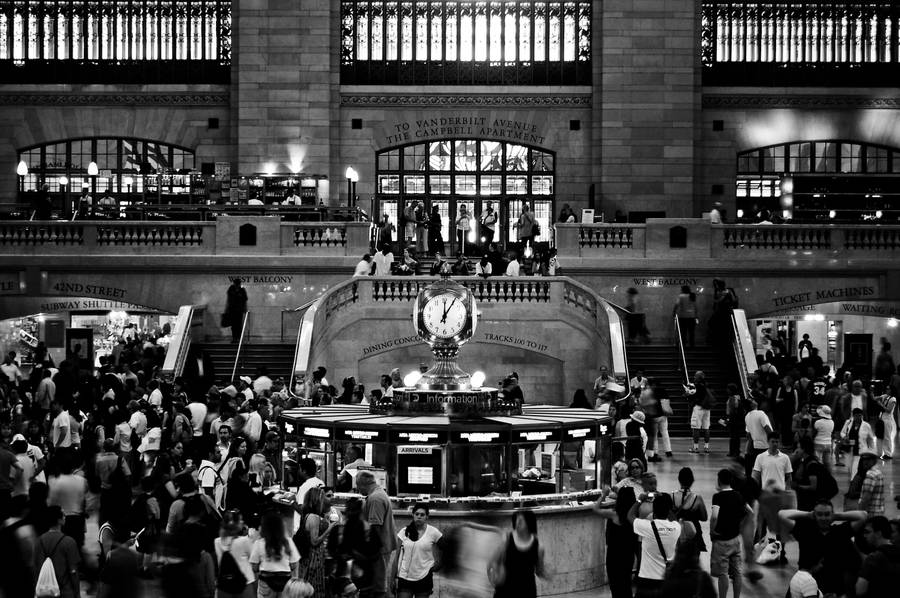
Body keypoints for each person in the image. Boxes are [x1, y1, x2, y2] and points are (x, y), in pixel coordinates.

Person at [779, 502, 866, 596]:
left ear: (832, 515)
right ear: (814, 515)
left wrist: (837, 516)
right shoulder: (805, 532)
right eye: (819, 514)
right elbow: (782, 514)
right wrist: (808, 514)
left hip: (833, 586)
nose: (823, 518)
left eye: (827, 514)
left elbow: (863, 515)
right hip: (806, 584)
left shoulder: (840, 532)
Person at [628, 492, 681, 598]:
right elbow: (674, 518)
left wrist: (640, 500)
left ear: (654, 511)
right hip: (666, 581)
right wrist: (665, 501)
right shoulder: (676, 527)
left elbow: (630, 516)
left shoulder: (646, 527)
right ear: (668, 510)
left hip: (646, 580)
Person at [710, 468, 752, 598]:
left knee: (723, 573)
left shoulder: (717, 497)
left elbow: (715, 516)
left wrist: (712, 531)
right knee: (737, 572)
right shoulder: (738, 495)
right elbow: (750, 512)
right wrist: (740, 524)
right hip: (735, 540)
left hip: (721, 541)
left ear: (719, 480)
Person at [752, 432, 793, 562]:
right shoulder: (760, 457)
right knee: (762, 526)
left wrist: (787, 493)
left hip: (780, 498)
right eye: (773, 441)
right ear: (768, 442)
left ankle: (782, 553)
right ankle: (755, 550)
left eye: (777, 441)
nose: (775, 444)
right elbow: (755, 477)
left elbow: (788, 477)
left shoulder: (785, 458)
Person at [488, 510, 546, 598]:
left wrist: (546, 573)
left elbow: (539, 571)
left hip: (527, 592)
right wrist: (495, 578)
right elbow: (493, 562)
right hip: (504, 592)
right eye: (516, 519)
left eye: (521, 520)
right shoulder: (506, 540)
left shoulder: (539, 546)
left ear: (529, 522)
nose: (517, 522)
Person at [357, 470, 396, 598]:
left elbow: (375, 528)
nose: (357, 489)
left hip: (378, 551)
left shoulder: (375, 498)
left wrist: (369, 553)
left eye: (357, 485)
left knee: (377, 587)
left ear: (363, 484)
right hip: (381, 548)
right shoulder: (379, 494)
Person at [391, 503, 443, 598]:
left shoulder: (433, 532)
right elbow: (396, 557)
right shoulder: (404, 532)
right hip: (405, 578)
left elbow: (445, 549)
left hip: (424, 578)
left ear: (427, 517)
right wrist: (392, 578)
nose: (419, 517)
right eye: (417, 514)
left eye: (422, 515)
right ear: (413, 515)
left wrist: (438, 565)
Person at [593, 487, 637, 598]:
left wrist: (603, 495)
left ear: (620, 498)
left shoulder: (613, 514)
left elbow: (595, 509)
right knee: (626, 582)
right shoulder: (635, 517)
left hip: (614, 555)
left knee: (615, 583)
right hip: (628, 554)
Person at [250, 510, 300, 598]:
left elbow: (254, 567)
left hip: (266, 582)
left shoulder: (259, 543)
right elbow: (294, 565)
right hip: (285, 582)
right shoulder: (288, 542)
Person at [298, 486, 338, 598]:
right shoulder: (314, 517)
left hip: (309, 556)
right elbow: (314, 541)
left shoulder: (307, 515)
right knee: (314, 586)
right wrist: (330, 527)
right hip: (314, 556)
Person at [34, 505, 81, 598]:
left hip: (45, 593)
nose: (65, 517)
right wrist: (77, 593)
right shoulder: (69, 542)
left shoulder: (39, 541)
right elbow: (73, 571)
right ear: (59, 520)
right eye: (63, 514)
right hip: (65, 592)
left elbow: (36, 568)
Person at [214, 509, 255, 598]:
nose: (242, 521)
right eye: (240, 520)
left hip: (224, 584)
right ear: (235, 524)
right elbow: (253, 558)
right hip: (244, 584)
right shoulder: (244, 541)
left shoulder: (217, 541)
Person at [856, 515, 900, 597]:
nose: (864, 536)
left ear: (878, 534)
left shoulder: (873, 558)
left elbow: (860, 590)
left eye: (867, 532)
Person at [670, 467, 708, 554]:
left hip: (676, 533)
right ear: (692, 480)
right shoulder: (697, 498)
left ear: (679, 479)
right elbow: (704, 518)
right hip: (694, 534)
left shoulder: (671, 496)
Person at [839, 407, 877, 481]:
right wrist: (844, 437)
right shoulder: (848, 423)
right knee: (850, 467)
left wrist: (872, 451)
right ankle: (854, 480)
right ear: (853, 416)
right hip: (849, 450)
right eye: (856, 416)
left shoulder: (866, 425)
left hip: (861, 450)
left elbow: (870, 439)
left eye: (860, 415)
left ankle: (854, 481)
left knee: (855, 468)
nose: (858, 417)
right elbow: (842, 432)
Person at [225, 278, 249, 343]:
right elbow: (228, 299)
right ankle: (234, 338)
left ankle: (238, 338)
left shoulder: (242, 290)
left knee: (238, 324)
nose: (237, 285)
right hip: (232, 310)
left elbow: (245, 300)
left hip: (239, 310)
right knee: (233, 325)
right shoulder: (231, 289)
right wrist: (227, 308)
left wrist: (245, 308)